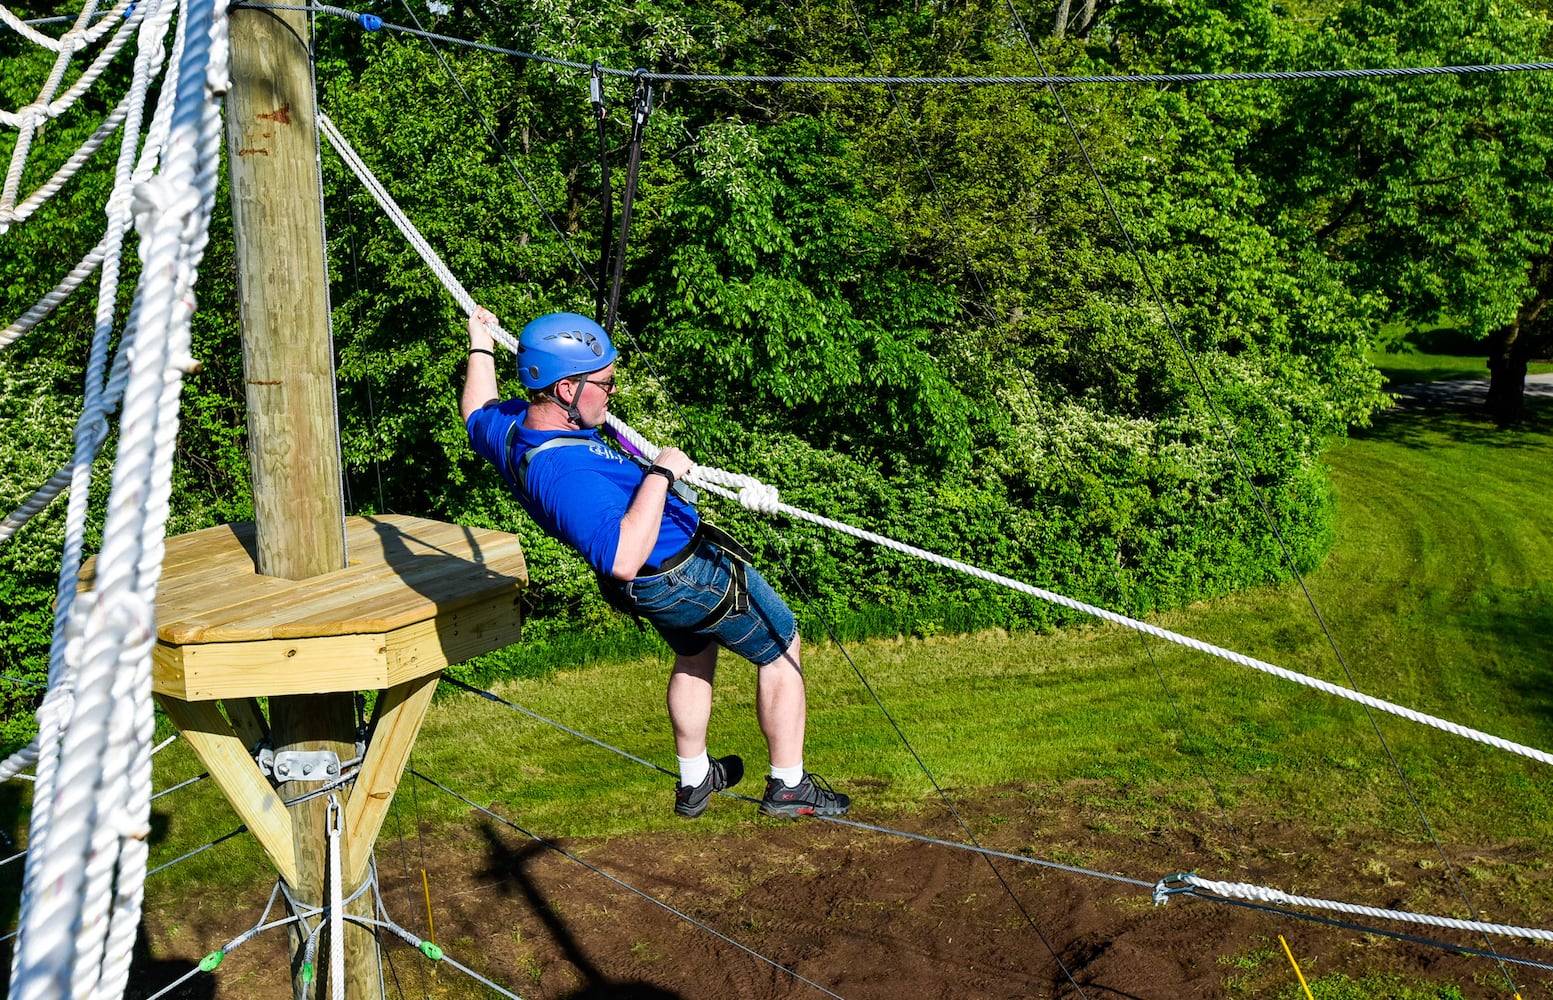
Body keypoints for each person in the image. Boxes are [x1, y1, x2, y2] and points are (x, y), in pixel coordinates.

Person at [461, 307, 850, 820]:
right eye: (605, 382)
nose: (613, 392)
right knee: (781, 646)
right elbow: (622, 556)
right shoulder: (562, 472)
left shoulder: (510, 428)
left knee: (695, 650)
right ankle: (789, 784)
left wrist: (480, 342)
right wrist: (661, 473)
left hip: (654, 586)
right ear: (565, 391)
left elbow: (475, 410)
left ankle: (695, 780)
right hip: (680, 573)